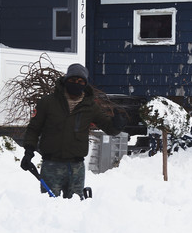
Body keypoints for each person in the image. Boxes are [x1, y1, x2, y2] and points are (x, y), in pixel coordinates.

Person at [20, 63, 126, 198]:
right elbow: (34, 129)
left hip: (76, 168)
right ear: (65, 81)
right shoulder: (48, 103)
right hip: (51, 166)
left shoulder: (90, 107)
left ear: (85, 84)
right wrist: (29, 152)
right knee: (50, 208)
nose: (76, 83)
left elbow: (109, 128)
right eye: (72, 80)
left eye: (80, 81)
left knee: (76, 210)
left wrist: (117, 124)